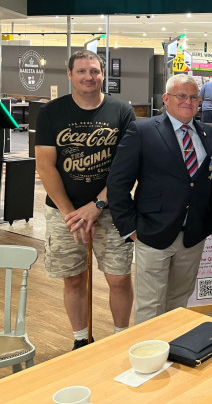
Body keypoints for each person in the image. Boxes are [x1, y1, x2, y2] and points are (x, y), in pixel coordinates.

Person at [35, 50, 135, 350]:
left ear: (103, 74)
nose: (88, 77)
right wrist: (71, 213)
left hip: (112, 210)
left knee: (118, 277)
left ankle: (120, 336)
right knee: (74, 279)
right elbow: (45, 165)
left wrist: (98, 205)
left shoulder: (121, 111)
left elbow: (126, 167)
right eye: (81, 71)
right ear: (69, 74)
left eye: (94, 71)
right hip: (64, 213)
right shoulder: (52, 112)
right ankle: (81, 339)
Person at [108, 74, 212, 324]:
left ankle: (173, 355)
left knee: (179, 303)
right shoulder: (142, 131)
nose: (188, 101)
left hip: (193, 236)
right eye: (181, 96)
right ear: (166, 99)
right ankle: (148, 361)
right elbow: (118, 184)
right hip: (151, 232)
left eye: (194, 97)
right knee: (150, 306)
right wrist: (130, 228)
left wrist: (210, 221)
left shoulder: (210, 136)